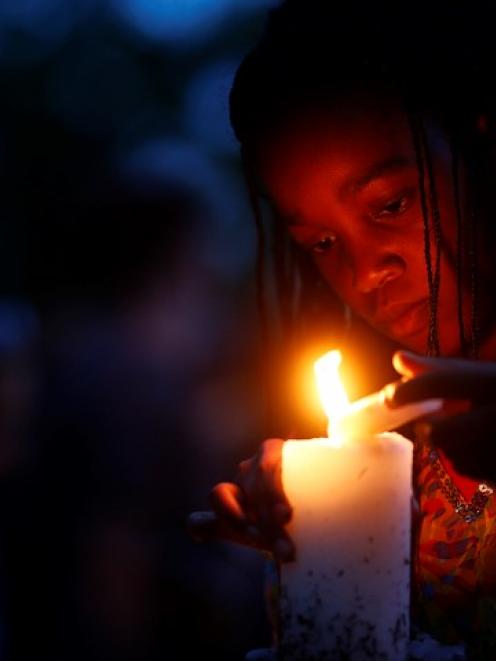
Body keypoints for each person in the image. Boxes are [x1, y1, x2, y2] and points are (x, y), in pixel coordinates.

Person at [189, 0, 496, 655]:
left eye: (389, 204)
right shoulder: (391, 458)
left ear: (480, 145)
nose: (365, 271)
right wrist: (316, 551)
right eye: (323, 241)